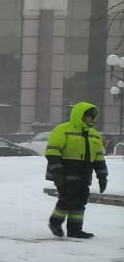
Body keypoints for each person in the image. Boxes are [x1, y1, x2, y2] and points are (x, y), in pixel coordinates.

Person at [45, 101, 108, 239]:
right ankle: (55, 223)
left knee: (80, 200)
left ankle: (75, 229)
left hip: (84, 173)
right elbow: (52, 152)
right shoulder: (63, 130)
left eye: (91, 117)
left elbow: (99, 158)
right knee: (68, 198)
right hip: (65, 171)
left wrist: (102, 176)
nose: (88, 119)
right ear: (79, 115)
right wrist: (57, 173)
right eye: (86, 116)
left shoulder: (95, 134)